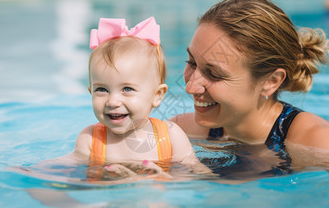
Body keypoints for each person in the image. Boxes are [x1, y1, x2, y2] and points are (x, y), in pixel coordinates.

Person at [170, 0, 329, 173]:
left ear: (270, 81)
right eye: (192, 63)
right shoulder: (181, 132)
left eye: (214, 74)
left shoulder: (326, 146)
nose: (190, 87)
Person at [39, 17, 209, 181]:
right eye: (102, 90)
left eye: (127, 89)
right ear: (90, 92)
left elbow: (195, 175)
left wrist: (164, 179)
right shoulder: (91, 139)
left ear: (157, 96)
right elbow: (68, 168)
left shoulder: (171, 136)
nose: (112, 101)